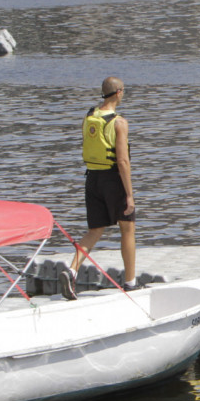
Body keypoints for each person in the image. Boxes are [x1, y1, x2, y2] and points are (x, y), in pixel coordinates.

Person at [59, 77, 137, 300]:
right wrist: (129, 195)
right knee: (127, 228)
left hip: (92, 178)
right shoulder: (119, 122)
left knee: (95, 230)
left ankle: (72, 269)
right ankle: (131, 282)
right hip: (113, 179)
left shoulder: (89, 116)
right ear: (119, 93)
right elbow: (122, 161)